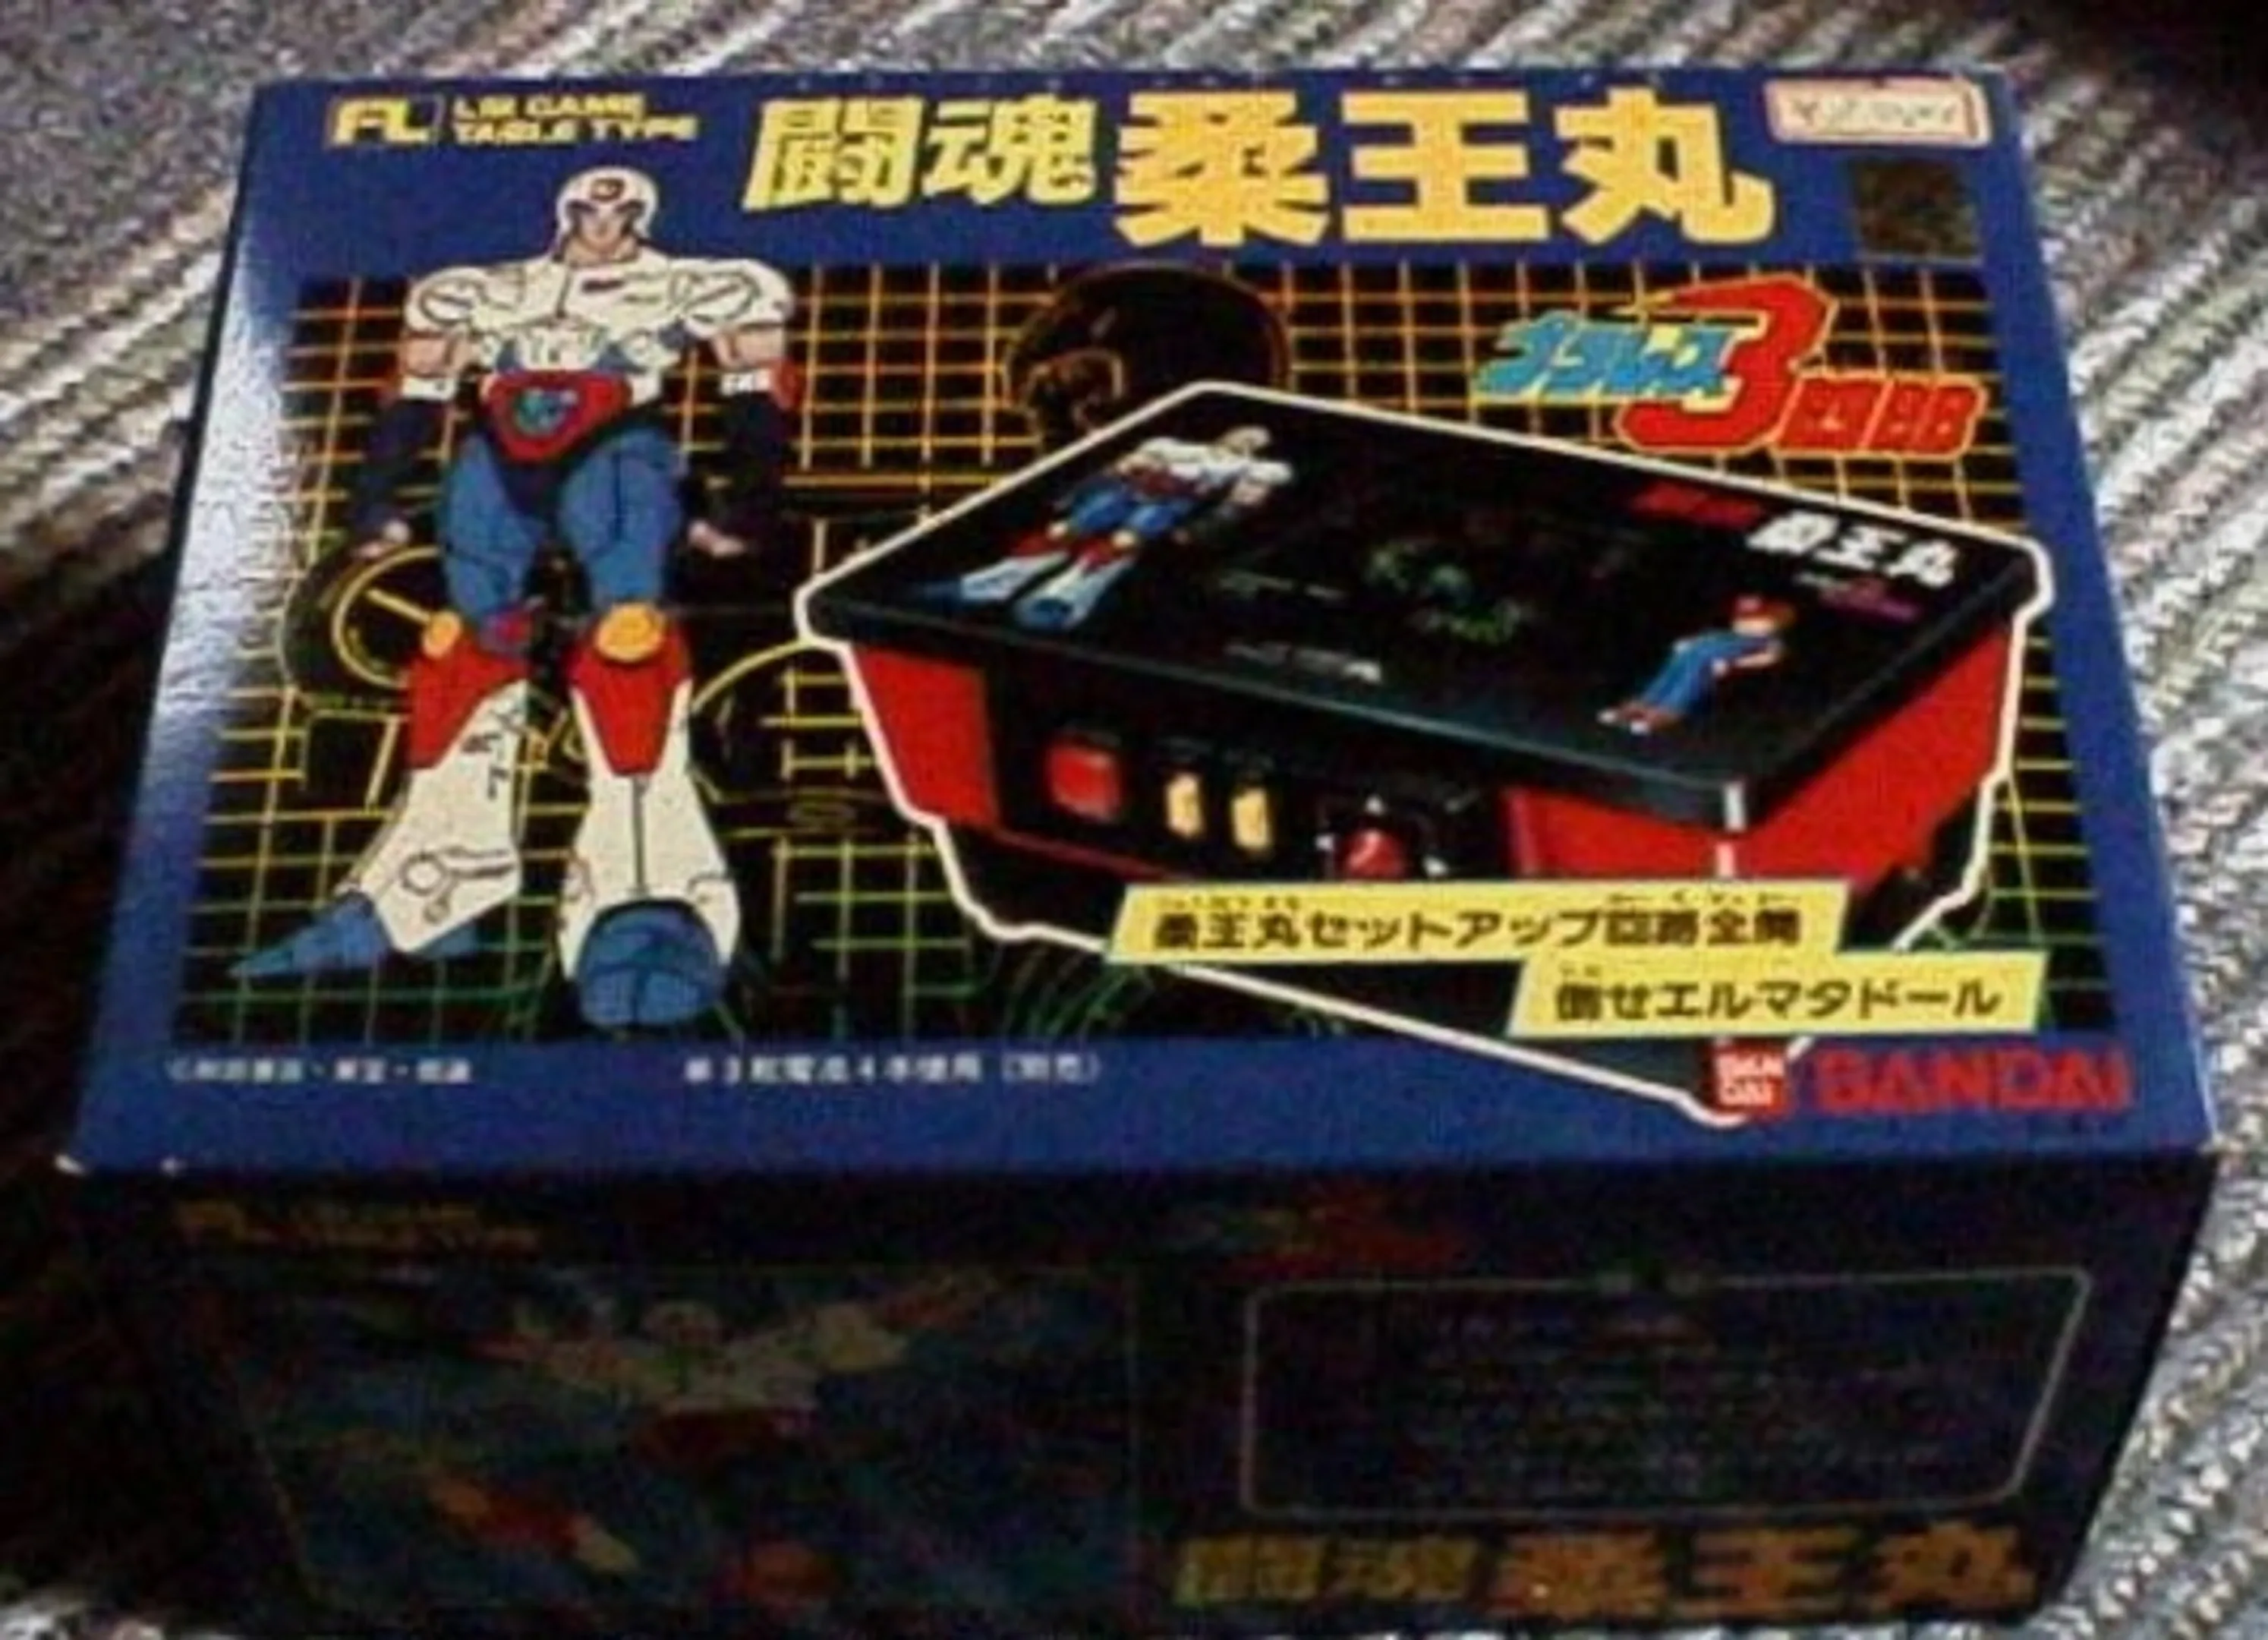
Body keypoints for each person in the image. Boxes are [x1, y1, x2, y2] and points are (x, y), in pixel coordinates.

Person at [235, 167, 797, 1027]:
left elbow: (755, 376)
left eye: (620, 207)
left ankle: (647, 890)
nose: (602, 219)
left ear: (643, 213)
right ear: (563, 210)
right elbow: (416, 388)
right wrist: (374, 496)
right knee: (463, 643)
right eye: (588, 205)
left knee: (628, 638)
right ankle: (440, 878)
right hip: (495, 454)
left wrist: (750, 498)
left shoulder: (690, 285)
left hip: (617, 449)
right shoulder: (481, 292)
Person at [1599, 594, 1797, 734]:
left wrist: (1734, 663)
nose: (1748, 626)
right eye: (1744, 621)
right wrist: (1688, 643)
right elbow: (1705, 639)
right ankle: (1637, 707)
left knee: (1685, 685)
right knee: (1665, 679)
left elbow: (1769, 658)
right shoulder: (1723, 633)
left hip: (1706, 666)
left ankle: (1659, 716)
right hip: (1687, 657)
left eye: (1757, 623)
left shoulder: (1765, 642)